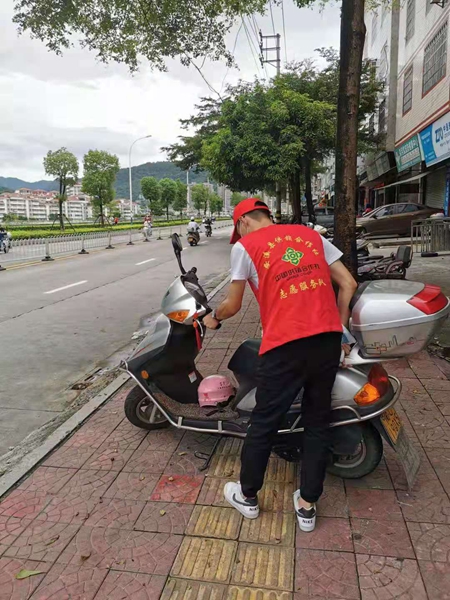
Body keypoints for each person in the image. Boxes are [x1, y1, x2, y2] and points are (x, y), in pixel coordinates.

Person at [203, 197, 357, 532]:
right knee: (318, 420)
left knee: (264, 422)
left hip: (285, 345)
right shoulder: (311, 235)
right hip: (327, 341)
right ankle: (307, 506)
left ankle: (247, 496)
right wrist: (341, 329)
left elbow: (232, 304)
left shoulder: (245, 246)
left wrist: (213, 318)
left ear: (243, 221)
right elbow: (348, 284)